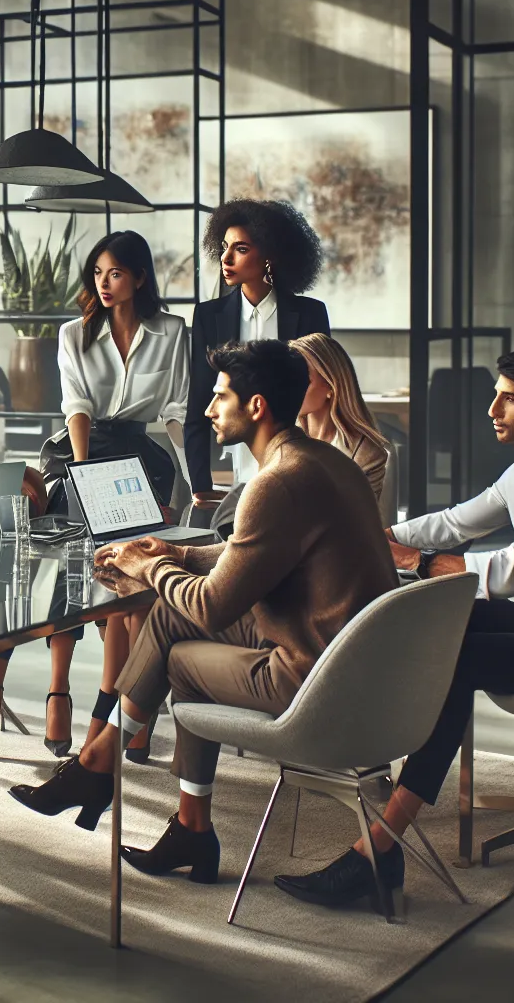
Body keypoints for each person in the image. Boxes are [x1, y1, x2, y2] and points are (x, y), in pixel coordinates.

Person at [8, 341, 396, 885]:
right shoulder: (321, 460)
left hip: (313, 678)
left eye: (220, 397)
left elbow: (213, 607)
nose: (209, 410)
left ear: (256, 406)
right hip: (346, 655)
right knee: (171, 620)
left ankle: (107, 773)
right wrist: (177, 554)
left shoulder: (275, 482)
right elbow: (248, 551)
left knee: (183, 658)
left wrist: (149, 569)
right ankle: (139, 791)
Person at [277, 346, 514, 910]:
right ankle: (368, 760)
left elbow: (503, 573)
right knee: (434, 623)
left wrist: (412, 559)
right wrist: (372, 534)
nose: (492, 409)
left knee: (456, 661)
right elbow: (453, 524)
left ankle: (380, 846)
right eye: (496, 396)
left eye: (510, 399)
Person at [38, 230, 189, 766]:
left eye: (116, 273)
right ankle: (58, 692)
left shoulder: (172, 331)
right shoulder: (73, 333)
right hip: (81, 451)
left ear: (140, 278)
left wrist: (188, 482)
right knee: (70, 578)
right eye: (98, 273)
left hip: (141, 457)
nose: (104, 283)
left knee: (132, 587)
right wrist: (84, 477)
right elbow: (76, 405)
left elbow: (176, 410)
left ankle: (121, 711)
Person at [185, 200, 329, 519]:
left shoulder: (310, 314)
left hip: (297, 456)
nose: (226, 258)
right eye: (224, 247)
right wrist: (200, 485)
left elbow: (321, 399)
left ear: (270, 256)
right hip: (238, 458)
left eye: (241, 249)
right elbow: (198, 404)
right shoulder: (209, 316)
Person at [209, 331, 390, 537]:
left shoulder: (367, 454)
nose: (292, 387)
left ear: (331, 386)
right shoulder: (279, 431)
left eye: (305, 381)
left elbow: (355, 529)